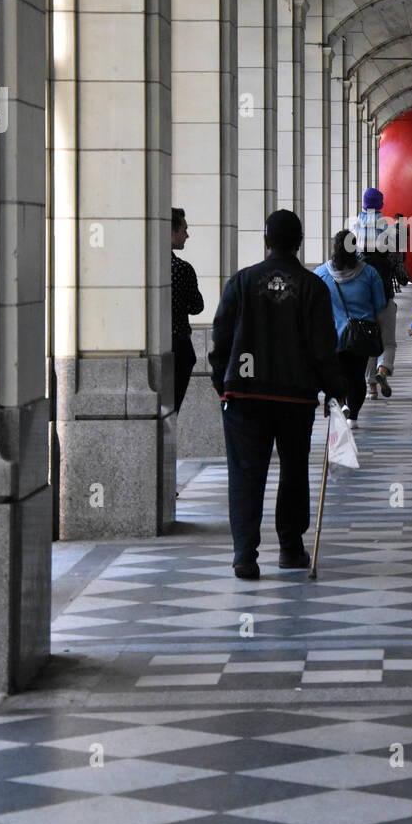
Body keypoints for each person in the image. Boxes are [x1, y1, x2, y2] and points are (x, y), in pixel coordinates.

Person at [208, 210, 345, 579]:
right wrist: (335, 389)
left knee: (245, 474)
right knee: (294, 470)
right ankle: (290, 547)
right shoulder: (312, 287)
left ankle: (245, 555)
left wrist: (224, 382)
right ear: (299, 243)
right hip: (294, 397)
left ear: (266, 240)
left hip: (245, 395)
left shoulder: (241, 282)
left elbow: (221, 337)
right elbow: (323, 347)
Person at [316, 230, 386, 428]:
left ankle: (342, 402)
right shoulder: (369, 273)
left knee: (338, 374)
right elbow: (380, 304)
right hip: (360, 337)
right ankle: (353, 415)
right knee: (357, 376)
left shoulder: (321, 274)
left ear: (334, 248)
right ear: (354, 248)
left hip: (332, 337)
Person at [353, 187, 399, 403]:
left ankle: (371, 387)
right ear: (380, 204)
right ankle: (383, 370)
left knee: (369, 338)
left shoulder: (356, 225)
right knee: (388, 341)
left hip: (363, 294)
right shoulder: (386, 225)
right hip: (384, 290)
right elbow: (393, 254)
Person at [171, 208, 204, 413]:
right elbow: (197, 306)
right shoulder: (182, 269)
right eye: (184, 230)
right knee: (173, 408)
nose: (187, 235)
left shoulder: (142, 267)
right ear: (171, 232)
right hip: (179, 345)